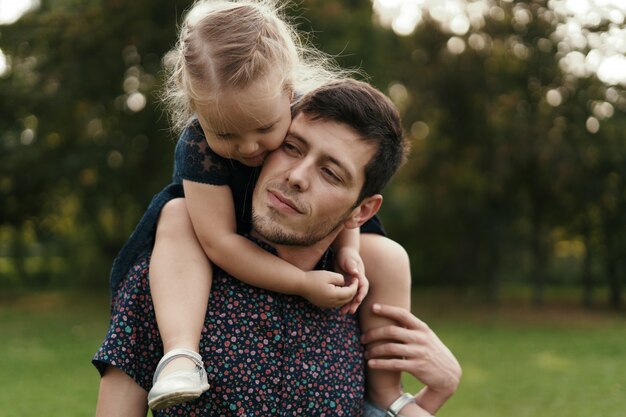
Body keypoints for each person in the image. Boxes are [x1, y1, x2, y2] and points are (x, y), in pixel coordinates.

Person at [100, 0, 423, 413]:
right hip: (211, 235)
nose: (250, 148)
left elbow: (380, 406)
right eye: (292, 147)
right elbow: (217, 242)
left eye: (331, 173)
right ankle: (182, 354)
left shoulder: (363, 276)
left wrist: (348, 250)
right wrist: (302, 283)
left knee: (388, 255)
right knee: (177, 214)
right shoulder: (168, 275)